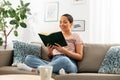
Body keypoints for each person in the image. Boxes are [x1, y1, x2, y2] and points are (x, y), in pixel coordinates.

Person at [17, 13, 84, 74]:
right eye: (60, 22)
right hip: (54, 61)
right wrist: (50, 52)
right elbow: (50, 57)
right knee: (29, 58)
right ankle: (57, 70)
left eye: (65, 22)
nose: (61, 24)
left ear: (71, 24)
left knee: (64, 60)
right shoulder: (58, 35)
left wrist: (64, 51)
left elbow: (80, 56)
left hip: (69, 62)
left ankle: (34, 70)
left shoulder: (76, 36)